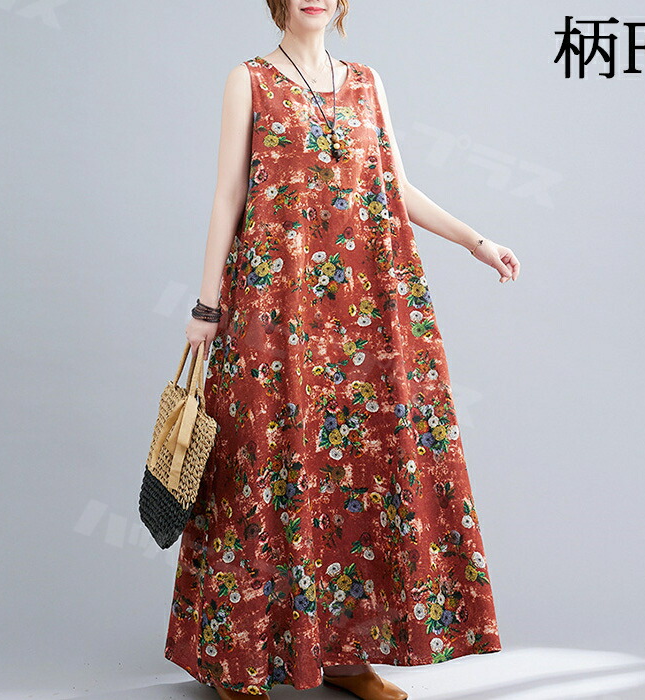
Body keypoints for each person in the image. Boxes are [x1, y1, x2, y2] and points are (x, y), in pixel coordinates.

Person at [164, 1, 518, 698]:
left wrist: (477, 242)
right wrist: (207, 305)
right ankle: (239, 658)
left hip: (363, 318)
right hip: (275, 309)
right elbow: (228, 195)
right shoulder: (249, 79)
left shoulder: (366, 81)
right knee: (262, 464)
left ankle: (348, 654)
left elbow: (396, 186)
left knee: (357, 469)